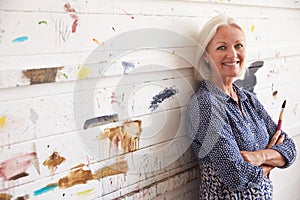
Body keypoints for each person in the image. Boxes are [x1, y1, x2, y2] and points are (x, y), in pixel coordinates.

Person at [186, 14, 297, 199]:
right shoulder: (206, 105)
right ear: (205, 55)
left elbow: (290, 149)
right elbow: (238, 177)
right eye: (222, 47)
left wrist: (260, 157)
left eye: (238, 45)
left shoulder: (248, 99)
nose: (233, 54)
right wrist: (273, 160)